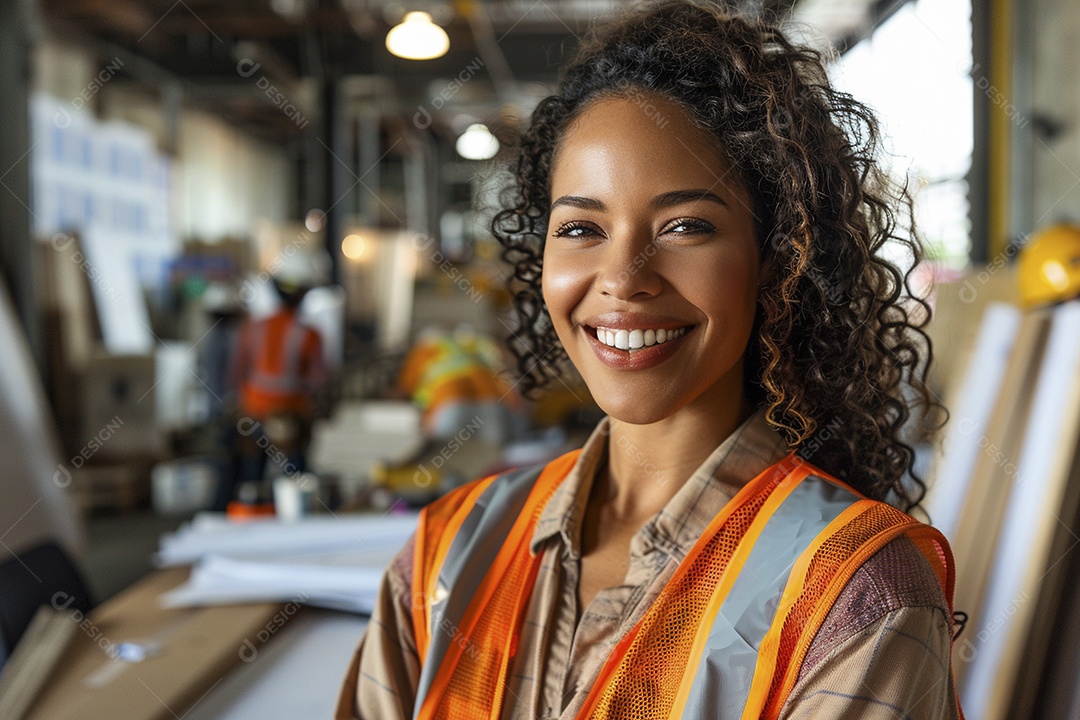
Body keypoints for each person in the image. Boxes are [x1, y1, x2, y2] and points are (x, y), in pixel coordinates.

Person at [337, 2, 963, 718]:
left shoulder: (857, 598)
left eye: (686, 226)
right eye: (581, 228)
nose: (623, 276)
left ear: (777, 262)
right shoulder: (443, 555)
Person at [213, 248, 330, 510]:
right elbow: (319, 382)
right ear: (305, 292)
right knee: (295, 481)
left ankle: (245, 517)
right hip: (291, 419)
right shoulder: (310, 334)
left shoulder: (254, 327)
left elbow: (236, 373)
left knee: (249, 478)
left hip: (252, 415)